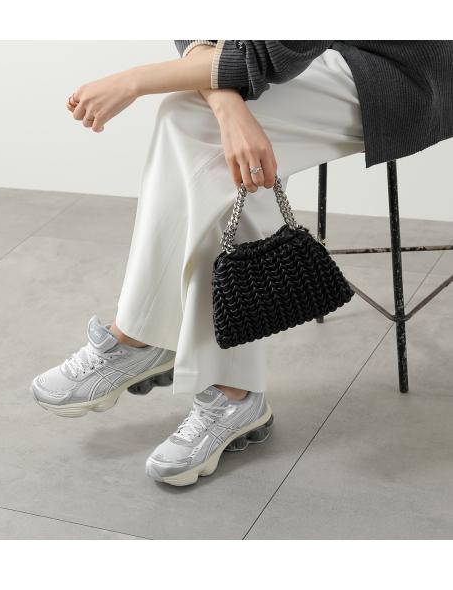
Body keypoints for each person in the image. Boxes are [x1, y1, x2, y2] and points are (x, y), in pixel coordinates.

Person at [31, 40, 453, 487]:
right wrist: (228, 107)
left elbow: (261, 57)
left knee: (192, 119)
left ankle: (153, 344)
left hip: (405, 66)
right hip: (324, 47)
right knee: (193, 116)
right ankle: (215, 383)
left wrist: (132, 81)